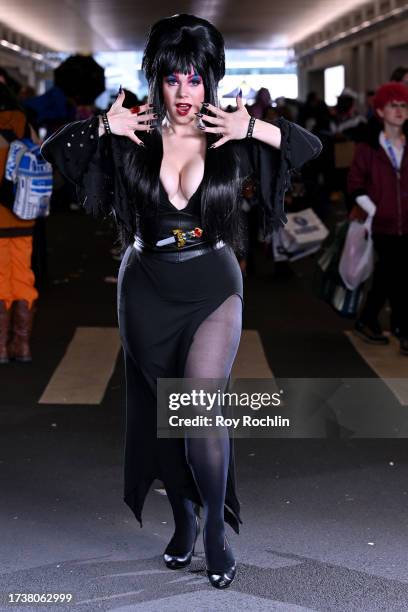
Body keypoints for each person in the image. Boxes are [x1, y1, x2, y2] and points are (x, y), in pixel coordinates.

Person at [40, 14, 322, 589]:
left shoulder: (230, 134)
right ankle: (184, 519)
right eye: (174, 79)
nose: (185, 92)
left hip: (212, 286)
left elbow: (308, 149)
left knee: (196, 412)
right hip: (144, 286)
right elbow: (55, 153)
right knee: (162, 415)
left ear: (210, 79)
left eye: (196, 79)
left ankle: (216, 527)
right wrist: (101, 126)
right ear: (157, 78)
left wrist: (256, 129)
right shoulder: (132, 133)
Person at [348, 82, 408, 354]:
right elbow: (355, 184)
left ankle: (372, 319)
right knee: (392, 272)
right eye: (393, 105)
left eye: (403, 105)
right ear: (381, 111)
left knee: (392, 274)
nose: (399, 110)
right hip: (380, 224)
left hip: (406, 222)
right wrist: (375, 210)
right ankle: (398, 327)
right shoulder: (368, 147)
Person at [0, 82, 38, 364]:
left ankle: (1, 347)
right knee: (22, 277)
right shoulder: (25, 125)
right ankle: (21, 345)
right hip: (24, 213)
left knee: (0, 280)